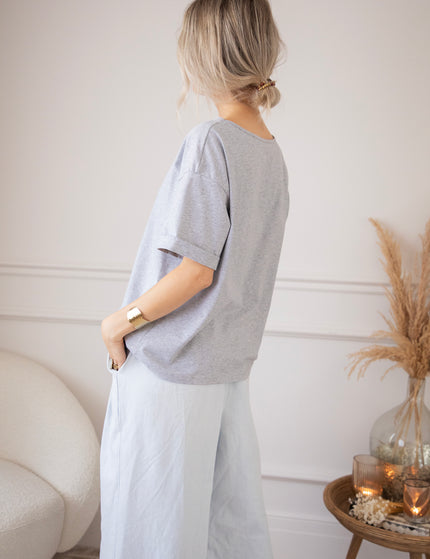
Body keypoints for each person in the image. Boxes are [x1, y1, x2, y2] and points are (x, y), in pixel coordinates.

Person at [99, 0, 289, 558]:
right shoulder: (270, 152)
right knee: (219, 535)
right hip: (223, 375)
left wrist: (119, 323)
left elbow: (195, 272)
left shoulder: (211, 140)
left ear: (204, 55)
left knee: (149, 534)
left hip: (170, 372)